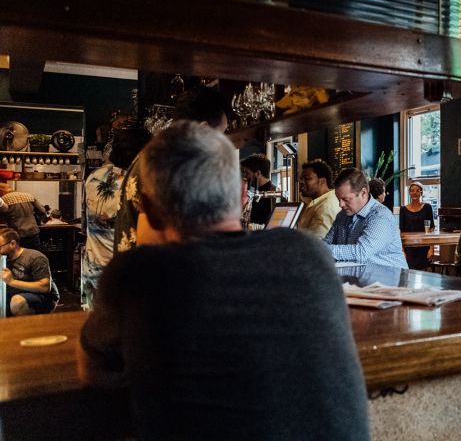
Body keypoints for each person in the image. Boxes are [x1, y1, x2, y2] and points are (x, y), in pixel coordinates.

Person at [78, 121, 369, 440]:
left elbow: (92, 372)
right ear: (243, 195)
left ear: (148, 209)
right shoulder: (310, 254)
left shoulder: (137, 274)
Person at [114, 86, 230, 252]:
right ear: (203, 130)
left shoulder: (153, 156)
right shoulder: (172, 166)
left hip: (133, 270)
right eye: (221, 134)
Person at [82, 125, 150, 309]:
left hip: (93, 266)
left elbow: (85, 220)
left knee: (96, 327)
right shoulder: (138, 181)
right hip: (121, 272)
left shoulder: (93, 177)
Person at [324, 168, 408, 269]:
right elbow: (327, 242)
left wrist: (319, 249)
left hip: (390, 279)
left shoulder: (381, 216)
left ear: (363, 193)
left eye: (345, 199)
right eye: (339, 199)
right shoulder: (342, 215)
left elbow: (361, 252)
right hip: (359, 279)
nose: (340, 204)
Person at [1, 229, 59, 316]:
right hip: (16, 293)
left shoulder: (34, 257)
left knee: (17, 303)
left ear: (12, 244)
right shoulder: (4, 258)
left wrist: (12, 281)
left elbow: (45, 287)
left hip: (42, 296)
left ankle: (33, 327)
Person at [297, 159, 340, 239]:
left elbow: (316, 244)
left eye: (307, 178)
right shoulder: (317, 202)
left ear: (322, 181)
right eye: (301, 179)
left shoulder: (325, 207)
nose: (301, 182)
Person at [399, 180, 434, 270]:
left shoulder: (427, 207)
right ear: (409, 193)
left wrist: (431, 248)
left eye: (417, 190)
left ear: (421, 193)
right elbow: (401, 231)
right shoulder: (403, 209)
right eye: (412, 190)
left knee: (424, 275)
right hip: (409, 249)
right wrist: (402, 250)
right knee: (409, 275)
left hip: (424, 247)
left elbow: (431, 229)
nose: (414, 193)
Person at [0, 183, 47, 248]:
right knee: (34, 254)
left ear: (1, 191)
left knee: (19, 256)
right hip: (33, 232)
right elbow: (42, 210)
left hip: (17, 234)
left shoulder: (3, 200)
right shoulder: (28, 195)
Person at [240, 153, 277, 226]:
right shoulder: (255, 193)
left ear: (257, 173)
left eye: (247, 173)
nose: (245, 177)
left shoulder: (273, 196)